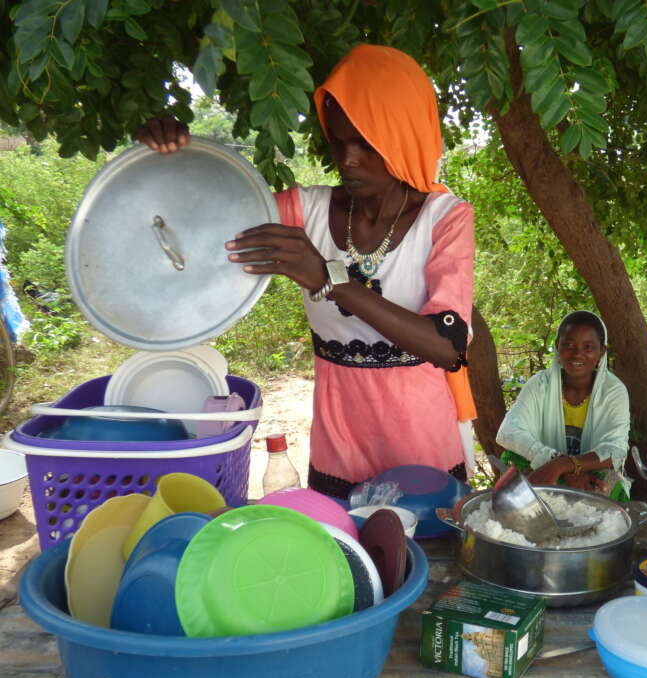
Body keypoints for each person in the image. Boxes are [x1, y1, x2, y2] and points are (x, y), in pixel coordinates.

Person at [137, 45, 475, 500]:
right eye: (339, 141)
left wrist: (329, 279)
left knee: (421, 565)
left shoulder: (446, 219)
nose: (349, 158)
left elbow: (446, 346)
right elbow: (197, 229)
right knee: (343, 562)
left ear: (403, 135)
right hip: (340, 449)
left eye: (366, 143)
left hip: (422, 451)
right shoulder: (306, 210)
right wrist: (176, 160)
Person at [495, 311, 631, 501]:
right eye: (568, 345)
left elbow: (615, 450)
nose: (577, 353)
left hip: (587, 472)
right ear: (557, 346)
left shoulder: (613, 391)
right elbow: (508, 432)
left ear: (602, 352)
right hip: (543, 466)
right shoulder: (540, 384)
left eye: (588, 347)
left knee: (607, 485)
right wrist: (554, 462)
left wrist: (563, 466)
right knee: (513, 459)